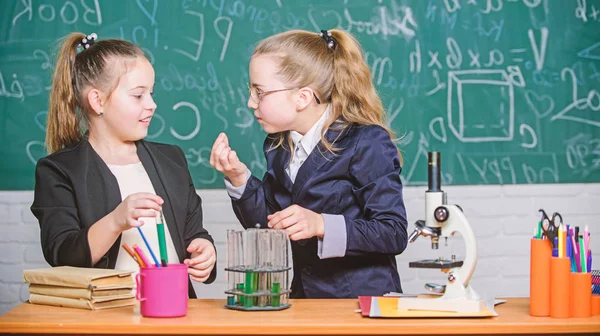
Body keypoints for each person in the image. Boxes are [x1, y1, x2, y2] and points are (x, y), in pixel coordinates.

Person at [210, 29, 407, 298]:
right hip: (305, 301)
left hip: (360, 304)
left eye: (260, 92)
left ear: (302, 97)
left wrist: (321, 224)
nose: (250, 102)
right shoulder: (278, 144)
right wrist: (239, 178)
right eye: (251, 91)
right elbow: (269, 225)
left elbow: (393, 232)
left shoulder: (366, 141)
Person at [31, 33, 216, 297]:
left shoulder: (171, 159)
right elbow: (61, 254)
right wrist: (116, 220)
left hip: (174, 309)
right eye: (138, 95)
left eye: (151, 94)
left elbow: (193, 233)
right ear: (98, 101)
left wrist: (204, 250)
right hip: (105, 316)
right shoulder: (58, 170)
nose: (152, 105)